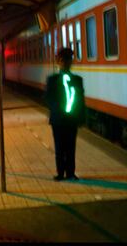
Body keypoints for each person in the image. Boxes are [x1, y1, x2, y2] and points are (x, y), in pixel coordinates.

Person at [45, 48, 86, 181]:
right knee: (60, 147)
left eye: (67, 60)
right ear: (58, 62)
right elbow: (48, 99)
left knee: (69, 147)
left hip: (68, 119)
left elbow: (81, 101)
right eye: (63, 60)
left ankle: (70, 172)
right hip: (59, 119)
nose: (65, 63)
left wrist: (80, 117)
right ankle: (61, 172)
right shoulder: (53, 80)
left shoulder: (76, 80)